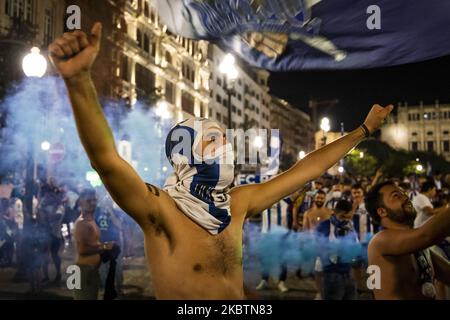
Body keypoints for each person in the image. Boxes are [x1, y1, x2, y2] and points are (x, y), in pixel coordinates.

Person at [48, 23, 392, 299]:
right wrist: (78, 81)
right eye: (214, 140)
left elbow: (306, 170)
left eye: (225, 139)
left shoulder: (237, 204)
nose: (226, 146)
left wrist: (362, 130)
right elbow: (107, 160)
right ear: (188, 156)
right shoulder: (161, 210)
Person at [365, 181, 450, 299]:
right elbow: (427, 235)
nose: (405, 197)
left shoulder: (421, 249)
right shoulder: (380, 241)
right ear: (382, 211)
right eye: (396, 195)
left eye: (404, 193)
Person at [73, 189, 114, 300]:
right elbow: (82, 250)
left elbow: (92, 242)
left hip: (89, 271)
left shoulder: (90, 220)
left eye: (94, 200)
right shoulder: (82, 223)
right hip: (83, 272)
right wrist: (104, 247)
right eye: (88, 201)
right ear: (81, 202)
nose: (92, 203)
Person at [316, 200, 359, 300]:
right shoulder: (324, 226)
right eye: (344, 217)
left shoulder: (349, 226)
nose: (347, 220)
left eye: (349, 217)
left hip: (348, 274)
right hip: (331, 275)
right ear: (337, 213)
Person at [255, 197, 293, 293]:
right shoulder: (264, 196)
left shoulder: (287, 198)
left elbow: (298, 191)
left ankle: (281, 282)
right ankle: (264, 279)